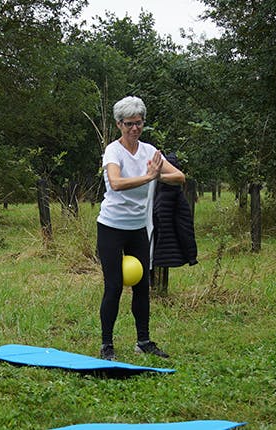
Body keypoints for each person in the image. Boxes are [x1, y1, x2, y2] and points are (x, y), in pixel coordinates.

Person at [96, 96, 185, 360]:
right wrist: (149, 177)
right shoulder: (113, 151)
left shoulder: (149, 151)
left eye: (139, 123)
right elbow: (115, 182)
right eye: (129, 124)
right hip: (111, 226)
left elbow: (179, 177)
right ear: (119, 124)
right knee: (113, 286)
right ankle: (106, 344)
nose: (135, 129)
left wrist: (157, 175)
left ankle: (143, 341)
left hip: (139, 229)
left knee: (143, 286)